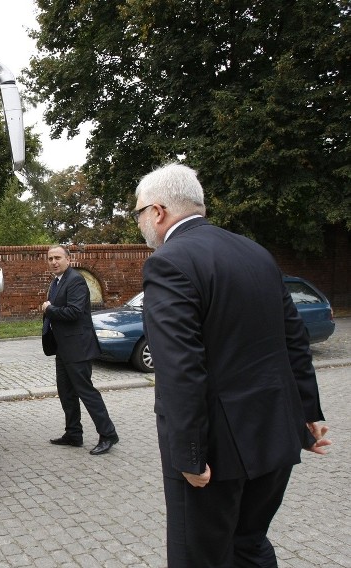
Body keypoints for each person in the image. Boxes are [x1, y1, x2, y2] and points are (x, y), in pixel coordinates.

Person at [135, 163, 331, 567]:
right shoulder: (254, 252)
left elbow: (180, 367)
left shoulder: (169, 262)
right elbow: (293, 339)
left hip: (215, 454)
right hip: (276, 434)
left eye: (138, 213)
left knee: (200, 557)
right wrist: (307, 414)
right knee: (250, 544)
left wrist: (189, 451)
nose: (139, 222)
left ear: (158, 211)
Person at [41, 245, 119, 455]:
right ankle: (74, 434)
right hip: (63, 348)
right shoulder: (56, 282)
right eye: (50, 259)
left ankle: (108, 434)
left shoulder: (75, 280)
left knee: (86, 393)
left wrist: (49, 309)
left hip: (78, 348)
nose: (54, 262)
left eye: (58, 258)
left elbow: (74, 312)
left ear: (68, 259)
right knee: (66, 393)